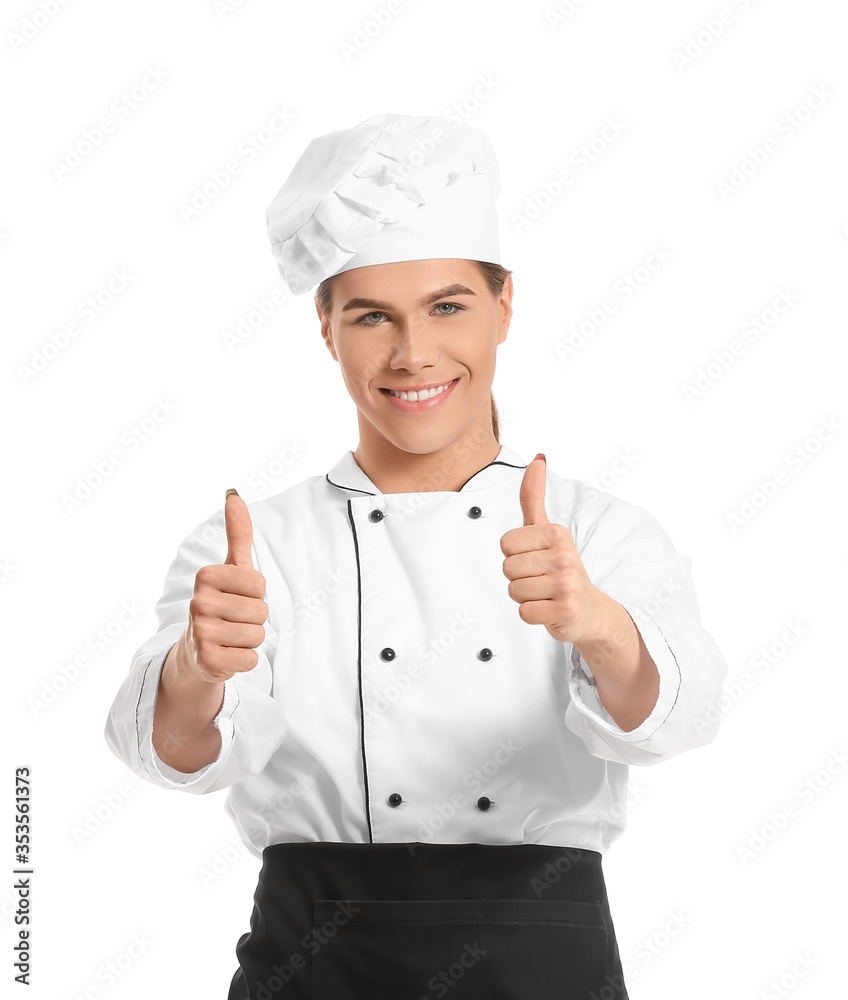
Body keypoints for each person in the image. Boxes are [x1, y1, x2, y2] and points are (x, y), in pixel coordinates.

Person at [104, 112, 729, 999]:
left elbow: (684, 717)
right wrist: (199, 668)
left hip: (542, 961)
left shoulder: (600, 533)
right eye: (371, 317)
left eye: (448, 307)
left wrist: (597, 626)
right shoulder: (254, 547)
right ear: (326, 327)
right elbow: (169, 754)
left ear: (505, 306)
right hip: (312, 959)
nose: (413, 354)